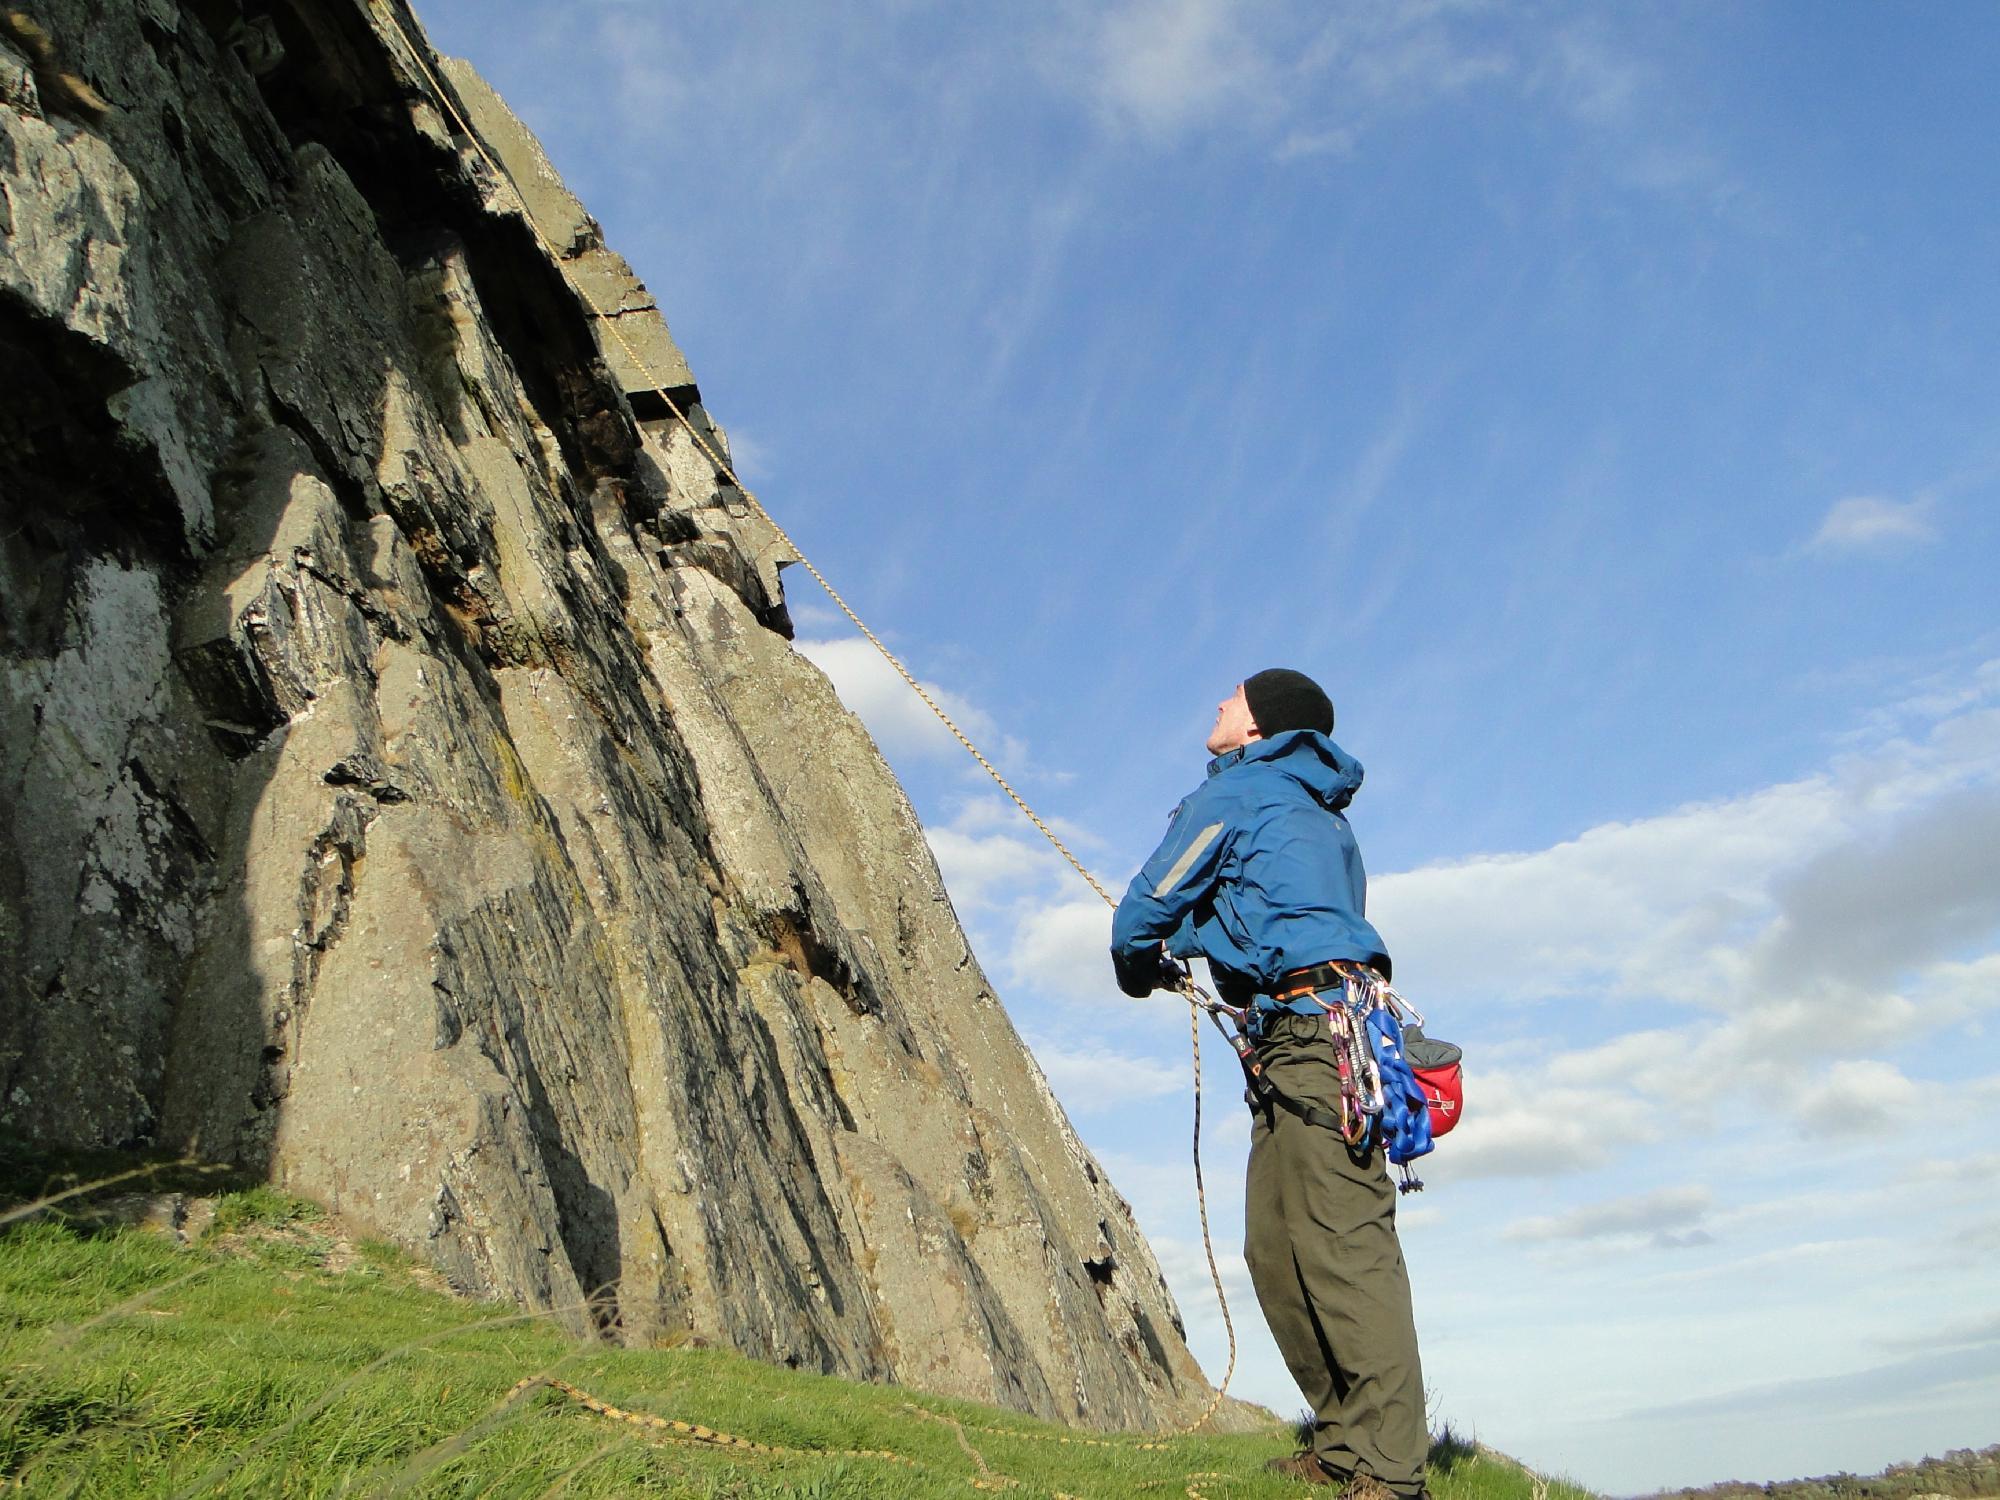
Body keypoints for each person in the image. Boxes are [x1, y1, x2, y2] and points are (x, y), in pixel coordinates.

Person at [1110, 669, 1427, 1497]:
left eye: (1236, 696)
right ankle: (1345, 1445)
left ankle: (1392, 1475)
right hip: (1300, 1039)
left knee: (1344, 1249)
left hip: (1316, 1040)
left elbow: (1149, 901)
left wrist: (1138, 963)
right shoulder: (1313, 814)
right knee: (1279, 1248)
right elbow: (1258, 907)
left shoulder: (1241, 794)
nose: (1218, 700)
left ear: (1259, 727)